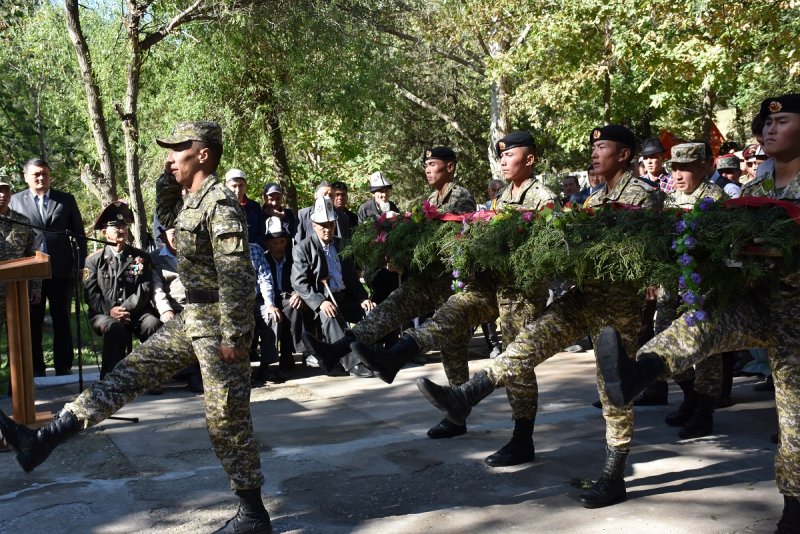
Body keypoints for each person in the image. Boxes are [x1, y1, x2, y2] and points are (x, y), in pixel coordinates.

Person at [0, 121, 271, 534]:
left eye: (178, 150)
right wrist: (167, 175)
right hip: (192, 318)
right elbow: (166, 213)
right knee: (127, 374)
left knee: (226, 421)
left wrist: (235, 336)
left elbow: (237, 274)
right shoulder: (192, 200)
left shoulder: (220, 203)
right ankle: (45, 438)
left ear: (203, 154)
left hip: (219, 323)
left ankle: (253, 515)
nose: (169, 156)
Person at [414, 125, 659, 498]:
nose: (594, 154)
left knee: (613, 391)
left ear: (624, 155)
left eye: (602, 147)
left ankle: (613, 475)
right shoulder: (591, 202)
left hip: (618, 307)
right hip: (582, 297)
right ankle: (465, 396)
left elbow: (641, 253)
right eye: (593, 147)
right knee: (525, 343)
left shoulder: (643, 197)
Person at [594, 94, 800, 533]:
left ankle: (795, 507)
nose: (769, 128)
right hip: (755, 301)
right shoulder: (755, 190)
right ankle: (638, 372)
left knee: (794, 418)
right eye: (766, 121)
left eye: (782, 121)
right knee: (696, 322)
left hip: (796, 316)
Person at [354, 131, 560, 450]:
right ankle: (399, 360)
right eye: (501, 156)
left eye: (510, 155)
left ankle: (522, 436)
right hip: (490, 285)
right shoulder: (501, 198)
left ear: (529, 159)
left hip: (521, 290)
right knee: (451, 317)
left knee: (515, 357)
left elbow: (549, 249)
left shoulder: (542, 197)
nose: (503, 160)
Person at [10, 158, 86, 376]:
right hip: (30, 271)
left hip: (61, 270)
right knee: (32, 321)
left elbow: (79, 234)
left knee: (62, 318)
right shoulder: (15, 201)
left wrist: (80, 265)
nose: (41, 178)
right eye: (36, 174)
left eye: (45, 173)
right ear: (26, 177)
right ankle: (36, 368)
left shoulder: (66, 200)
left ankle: (63, 366)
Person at [292, 196, 376, 377]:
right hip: (323, 301)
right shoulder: (303, 248)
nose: (326, 228)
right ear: (314, 225)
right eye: (322, 224)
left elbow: (352, 278)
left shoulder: (342, 244)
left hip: (345, 298)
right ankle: (354, 364)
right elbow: (299, 282)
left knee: (372, 312)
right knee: (330, 315)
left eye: (330, 224)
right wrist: (320, 302)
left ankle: (372, 356)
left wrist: (363, 298)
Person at [84, 202, 161, 378]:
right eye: (116, 226)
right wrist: (111, 310)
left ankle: (152, 377)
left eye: (124, 226)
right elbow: (91, 295)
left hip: (136, 310)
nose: (121, 230)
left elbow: (145, 288)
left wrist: (126, 309)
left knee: (153, 324)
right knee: (115, 328)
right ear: (104, 232)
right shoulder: (94, 261)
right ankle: (111, 378)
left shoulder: (140, 257)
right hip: (103, 312)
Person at [150, 226, 204, 393]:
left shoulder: (195, 253)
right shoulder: (155, 258)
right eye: (173, 234)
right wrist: (165, 309)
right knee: (176, 328)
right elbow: (156, 288)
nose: (178, 237)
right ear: (164, 237)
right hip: (173, 307)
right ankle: (191, 375)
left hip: (197, 305)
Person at [255, 216, 310, 381]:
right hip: (267, 299)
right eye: (274, 242)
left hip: (287, 297)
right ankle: (269, 362)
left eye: (281, 242)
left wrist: (298, 294)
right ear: (267, 243)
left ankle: (288, 355)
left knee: (293, 308)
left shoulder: (293, 258)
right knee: (274, 314)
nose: (278, 246)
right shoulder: (262, 258)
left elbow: (301, 279)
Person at [0, 176, 41, 363]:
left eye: (6, 190)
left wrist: (35, 287)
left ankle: (16, 390)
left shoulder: (23, 222)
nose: (2, 195)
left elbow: (33, 257)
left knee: (18, 344)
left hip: (16, 293)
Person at [423, 146, 476, 214]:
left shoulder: (461, 196)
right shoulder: (432, 198)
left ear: (450, 167)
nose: (427, 171)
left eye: (432, 164)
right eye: (426, 166)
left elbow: (465, 223)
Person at [225, 169, 264, 244]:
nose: (238, 190)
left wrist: (254, 246)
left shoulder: (255, 207)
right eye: (234, 186)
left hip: (253, 251)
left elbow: (261, 232)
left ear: (246, 185)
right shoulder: (221, 207)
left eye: (241, 185)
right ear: (226, 186)